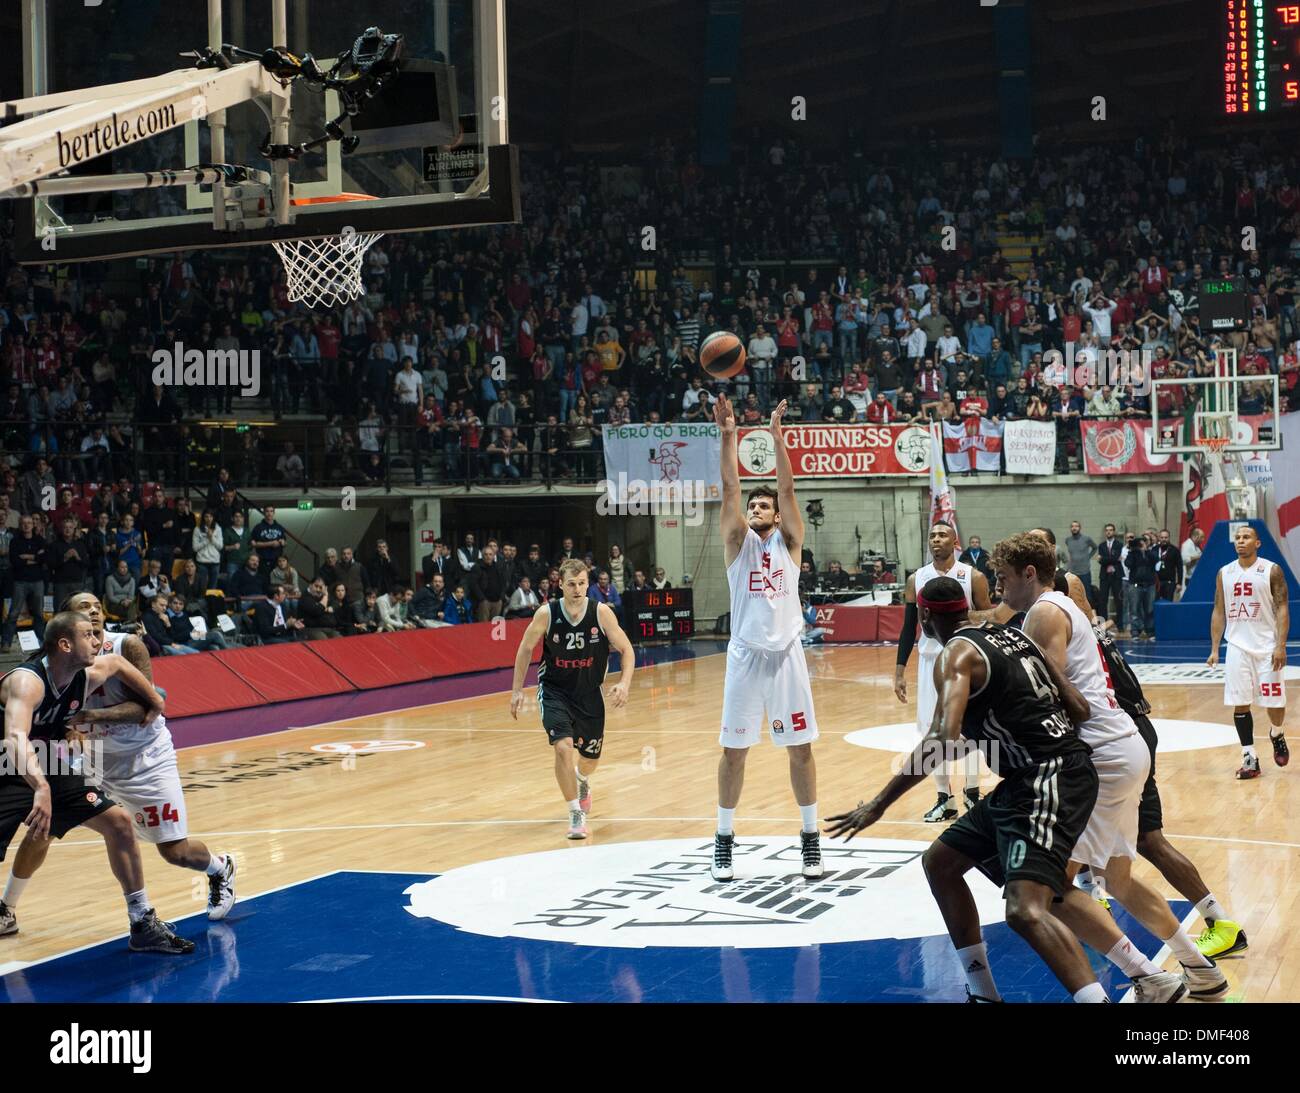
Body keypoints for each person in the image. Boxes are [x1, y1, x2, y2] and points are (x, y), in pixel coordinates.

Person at [826, 576, 1111, 1003]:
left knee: (1025, 909)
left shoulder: (955, 654)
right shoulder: (1009, 635)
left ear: (923, 616)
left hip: (1046, 776)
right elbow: (1079, 707)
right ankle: (983, 993)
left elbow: (942, 737)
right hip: (1035, 774)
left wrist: (880, 805)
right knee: (941, 862)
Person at [1001, 532, 1228, 1001]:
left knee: (1048, 888)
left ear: (1029, 574)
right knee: (1116, 878)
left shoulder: (1044, 611)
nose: (997, 586)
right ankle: (1199, 968)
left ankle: (1150, 976)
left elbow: (1052, 694)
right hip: (1124, 746)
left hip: (1099, 753)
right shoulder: (1061, 606)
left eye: (1002, 578)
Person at [0, 593, 236, 936]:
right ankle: (7, 909)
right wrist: (43, 783)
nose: (95, 614)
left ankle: (203, 879)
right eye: (85, 611)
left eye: (97, 608)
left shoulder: (122, 647)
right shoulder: (32, 678)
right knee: (45, 830)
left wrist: (153, 699)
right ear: (65, 635)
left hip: (142, 758)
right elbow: (17, 739)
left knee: (167, 848)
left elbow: (122, 674)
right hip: (44, 758)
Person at [711, 395, 823, 882]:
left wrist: (777, 438)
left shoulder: (789, 542)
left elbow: (788, 487)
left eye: (765, 506)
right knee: (734, 752)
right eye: (752, 505)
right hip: (745, 658)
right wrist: (728, 435)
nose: (756, 508)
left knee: (800, 750)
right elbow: (730, 486)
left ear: (776, 517)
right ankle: (723, 840)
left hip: (787, 658)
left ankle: (810, 838)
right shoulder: (738, 543)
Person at [1093, 620, 1246, 959]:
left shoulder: (1057, 625)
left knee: (1135, 838)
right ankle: (1219, 923)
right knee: (1142, 838)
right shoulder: (1085, 622)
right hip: (1133, 727)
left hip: (1119, 734)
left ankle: (1093, 899)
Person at [509, 559, 635, 839]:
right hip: (555, 690)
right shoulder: (547, 613)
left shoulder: (601, 613)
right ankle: (575, 812)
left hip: (590, 694)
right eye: (571, 584)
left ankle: (582, 779)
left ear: (587, 584)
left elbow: (627, 649)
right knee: (563, 747)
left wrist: (624, 684)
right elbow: (525, 648)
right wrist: (517, 689)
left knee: (589, 759)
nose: (577, 589)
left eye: (581, 583)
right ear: (560, 584)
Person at [896, 522, 994, 821]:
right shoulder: (917, 579)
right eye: (932, 536)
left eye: (942, 535)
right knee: (932, 730)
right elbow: (907, 626)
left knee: (972, 728)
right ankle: (944, 797)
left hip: (966, 657)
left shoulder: (972, 576)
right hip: (930, 662)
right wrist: (899, 670)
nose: (936, 540)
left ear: (955, 541)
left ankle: (973, 792)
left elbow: (989, 618)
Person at [1207, 524, 1290, 778]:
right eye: (1238, 538)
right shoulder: (1225, 572)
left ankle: (1276, 733)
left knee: (1274, 703)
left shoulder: (1271, 570)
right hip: (1237, 647)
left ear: (1258, 543)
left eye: (1247, 537)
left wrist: (1280, 645)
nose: (1241, 541)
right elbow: (1219, 611)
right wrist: (1214, 648)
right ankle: (1250, 757)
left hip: (1267, 648)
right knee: (1240, 704)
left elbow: (1282, 608)